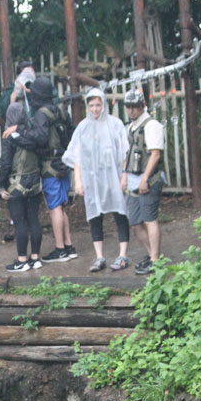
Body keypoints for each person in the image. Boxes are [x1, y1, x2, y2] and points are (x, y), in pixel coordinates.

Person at [3, 77, 77, 263]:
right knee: (62, 206)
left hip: (50, 166)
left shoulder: (42, 115)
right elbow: (70, 135)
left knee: (54, 208)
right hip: (64, 163)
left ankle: (60, 249)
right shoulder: (61, 111)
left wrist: (19, 129)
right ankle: (68, 246)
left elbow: (41, 138)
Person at [63, 87, 129, 272]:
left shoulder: (115, 124)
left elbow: (125, 151)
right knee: (95, 215)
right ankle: (99, 256)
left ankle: (123, 254)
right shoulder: (83, 127)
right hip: (93, 178)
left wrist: (124, 174)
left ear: (103, 105)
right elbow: (76, 155)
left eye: (98, 105)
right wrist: (78, 180)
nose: (95, 109)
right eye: (91, 105)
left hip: (113, 176)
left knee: (120, 213)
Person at [120, 88, 165, 275]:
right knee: (135, 222)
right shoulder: (130, 126)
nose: (132, 110)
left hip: (148, 178)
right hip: (132, 178)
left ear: (143, 105)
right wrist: (124, 174)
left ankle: (155, 260)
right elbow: (127, 153)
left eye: (135, 107)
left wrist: (145, 179)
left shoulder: (151, 125)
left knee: (149, 219)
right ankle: (152, 255)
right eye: (129, 107)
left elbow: (155, 154)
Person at [0, 102, 43, 272]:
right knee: (34, 220)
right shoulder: (33, 134)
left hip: (17, 184)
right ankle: (35, 258)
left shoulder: (9, 136)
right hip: (35, 183)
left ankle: (22, 260)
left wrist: (1, 186)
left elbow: (6, 163)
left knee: (19, 223)